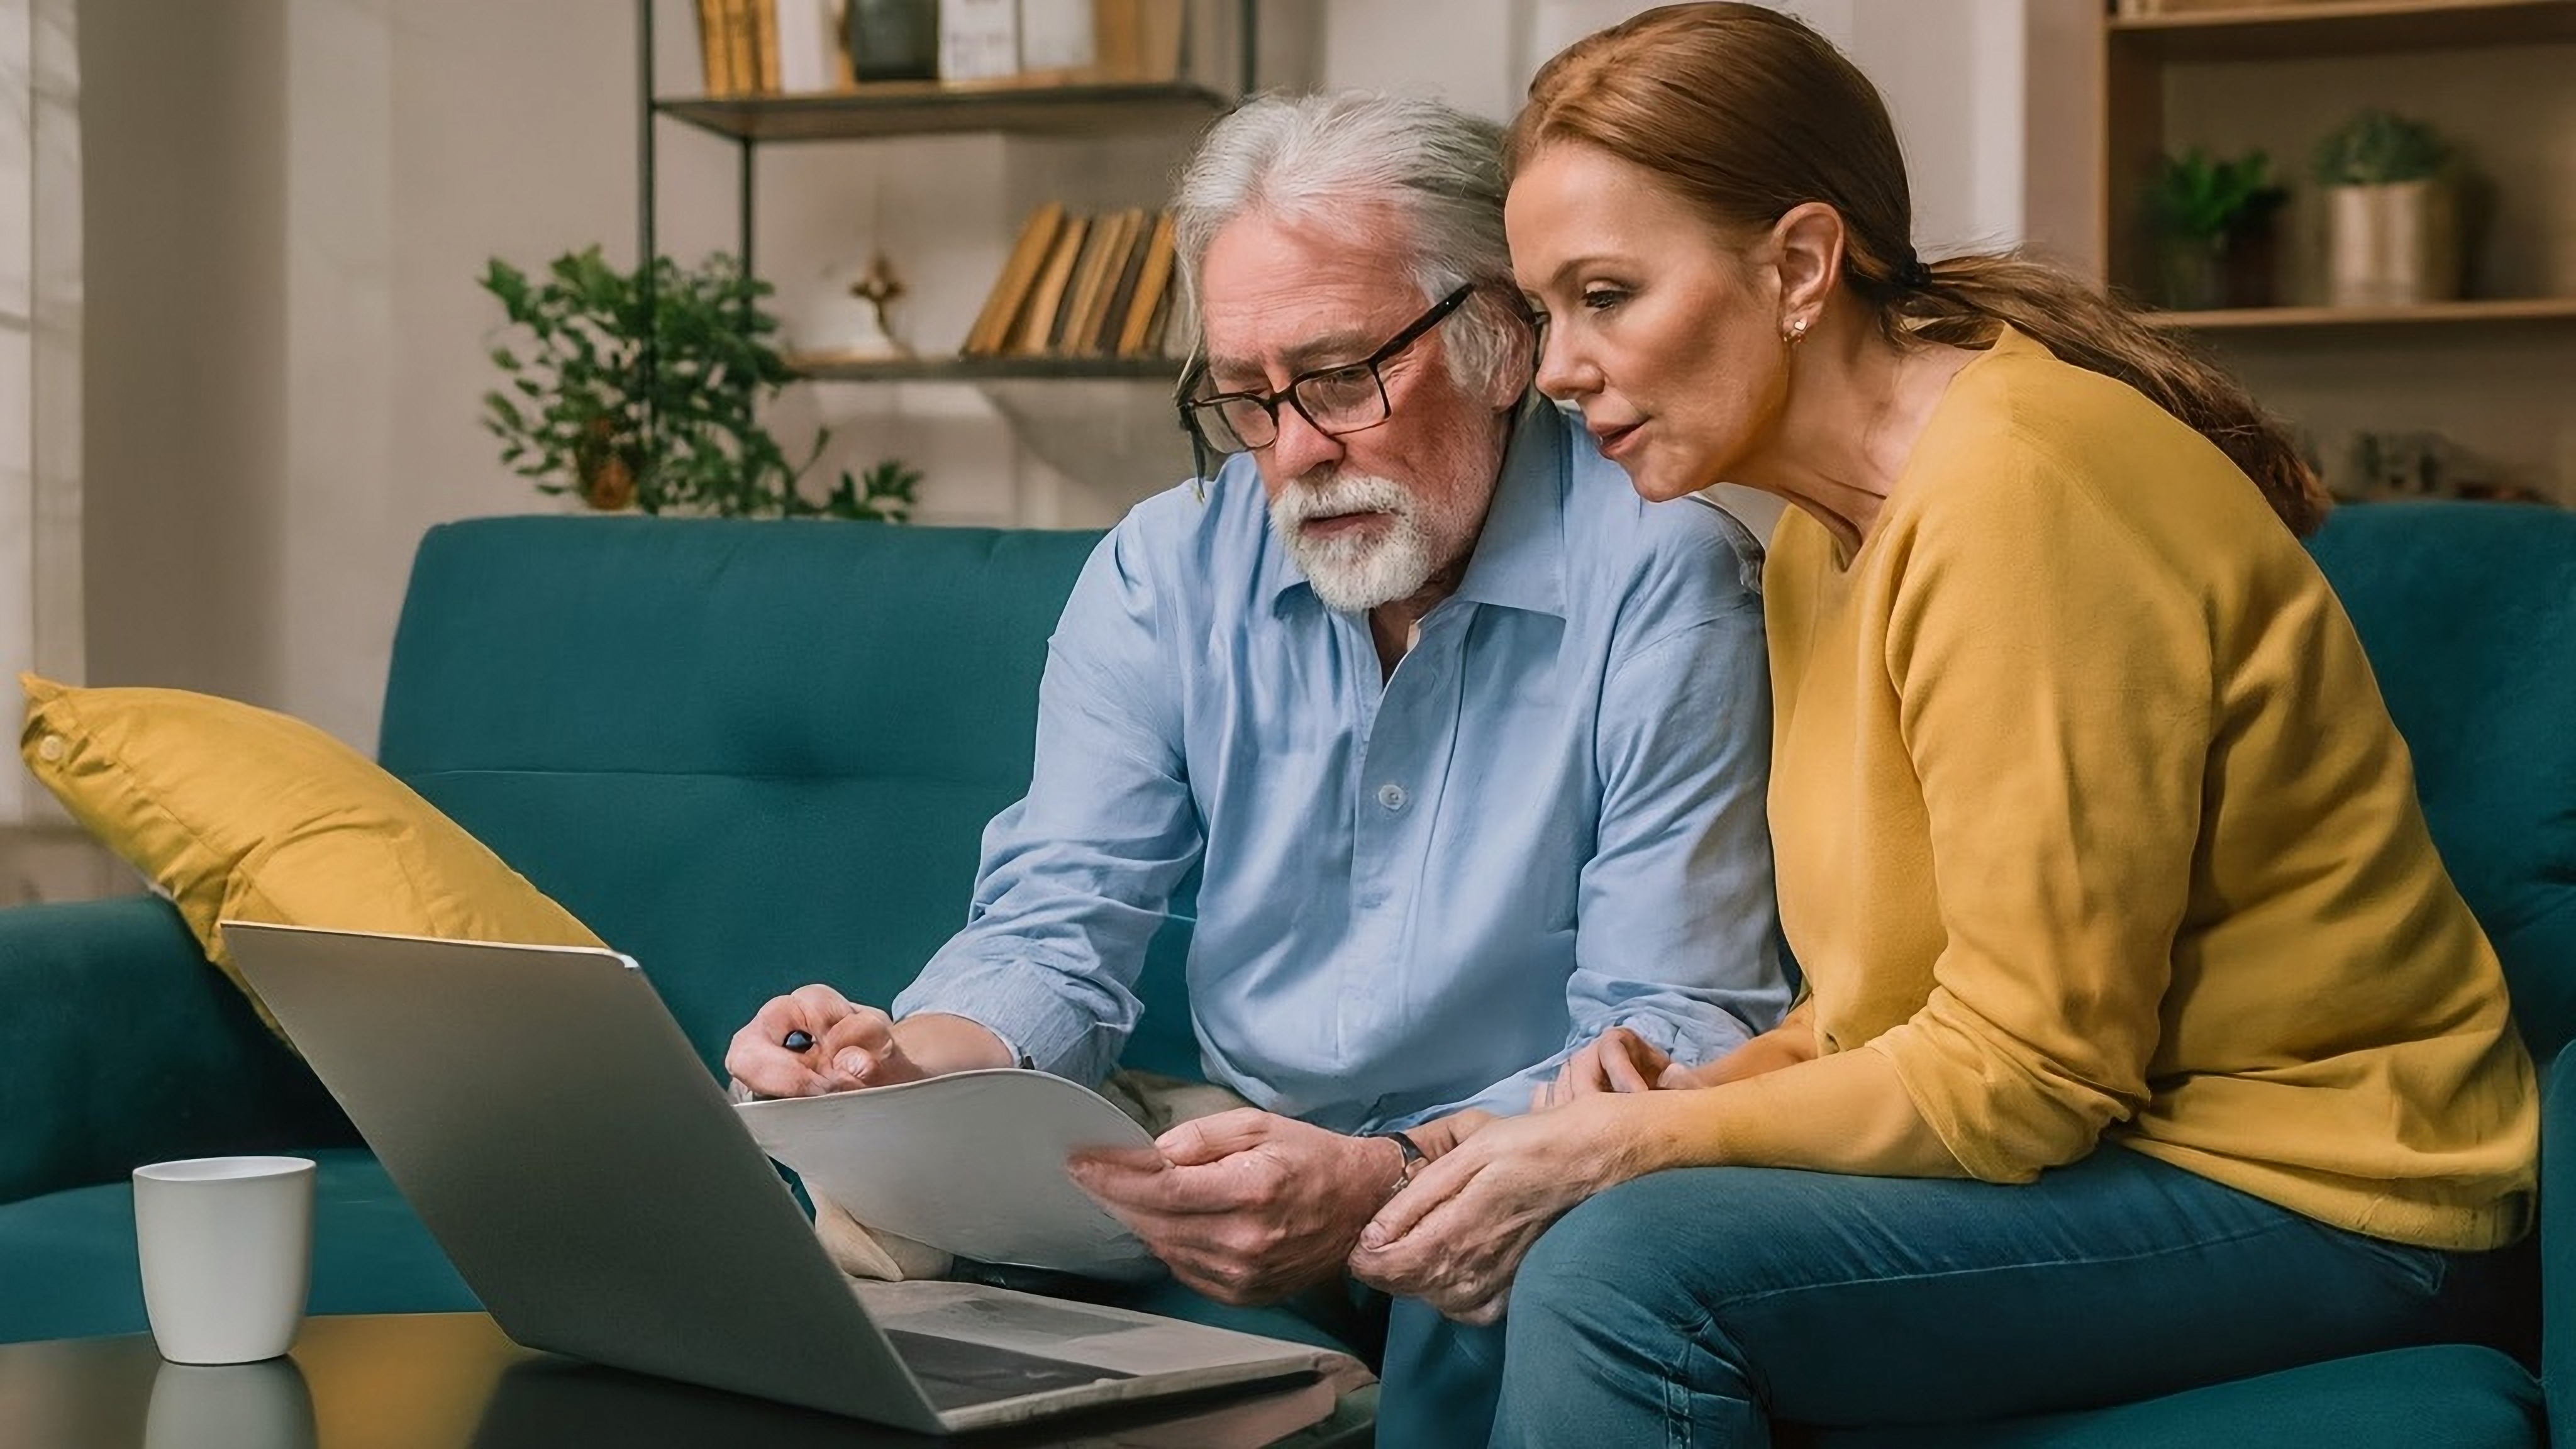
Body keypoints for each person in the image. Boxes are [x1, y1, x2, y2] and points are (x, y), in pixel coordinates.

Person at [1343, 6, 2540, 1446]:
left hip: (2327, 1188)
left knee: (1615, 1275)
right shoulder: (1812, 536)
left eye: (1606, 293)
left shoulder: (2015, 494)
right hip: (2112, 1145)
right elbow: (1890, 1011)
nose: (1555, 368)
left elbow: (2028, 1076)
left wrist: (1635, 1147)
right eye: (1541, 311)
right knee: (1469, 1243)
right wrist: (1601, 1126)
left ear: (1796, 264)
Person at [724, 88, 1788, 1438]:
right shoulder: (1168, 567)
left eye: (1341, 378)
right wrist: (895, 1073)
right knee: (874, 1225)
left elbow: (1675, 1027)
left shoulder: (1666, 580)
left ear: (1501, 342)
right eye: (1243, 397)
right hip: (1240, 1140)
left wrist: (1384, 1177)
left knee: (1529, 1254)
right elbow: (1054, 935)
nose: (1291, 453)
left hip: (1515, 1168)